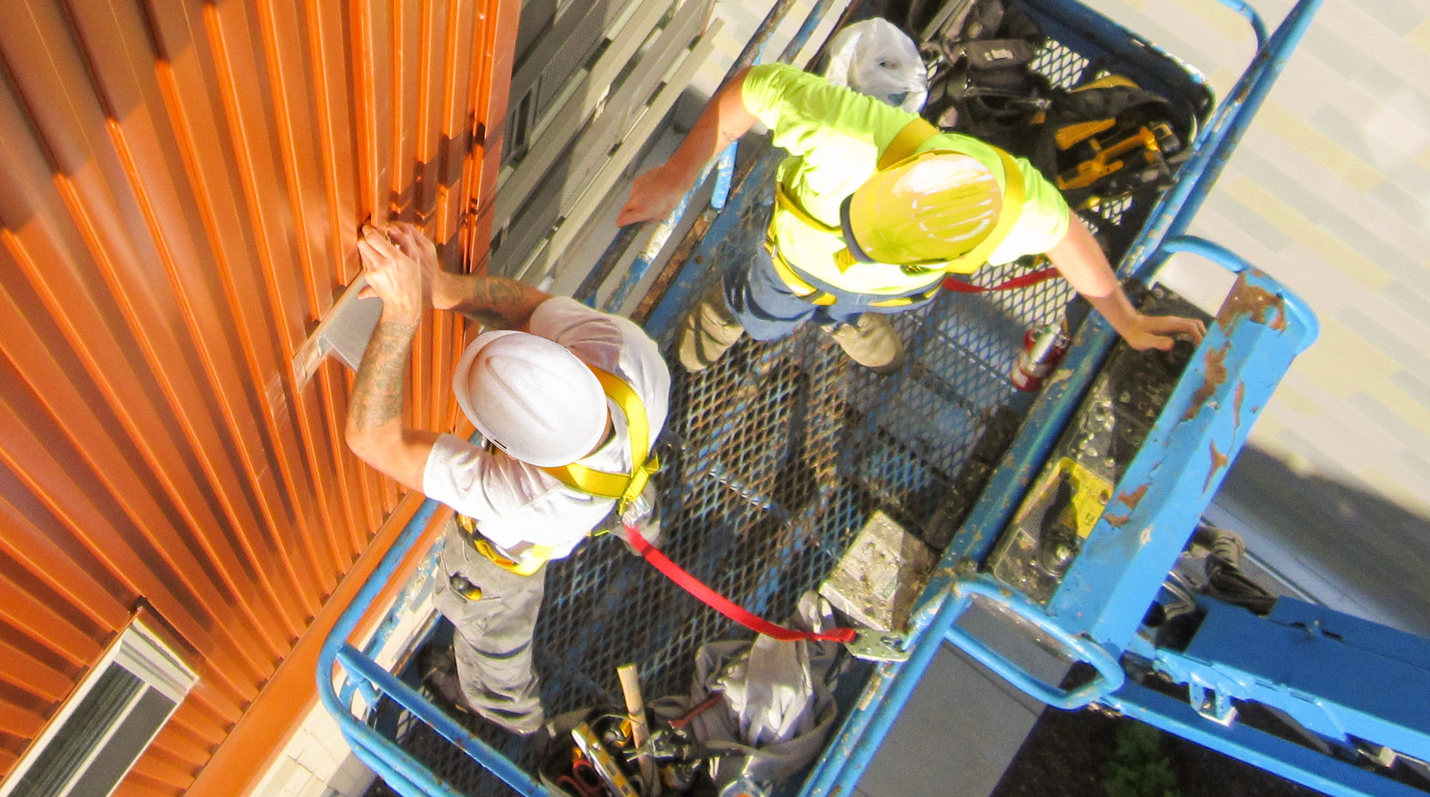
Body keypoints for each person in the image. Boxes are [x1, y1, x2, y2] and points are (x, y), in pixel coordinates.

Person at [617, 62, 1203, 372]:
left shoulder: (1019, 205)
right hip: (792, 263)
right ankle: (738, 312)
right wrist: (677, 175)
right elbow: (753, 88)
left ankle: (842, 320)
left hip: (887, 291)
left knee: (854, 302)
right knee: (771, 309)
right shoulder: (851, 136)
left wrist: (1125, 319)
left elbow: (1069, 239)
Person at [344, 220, 670, 735]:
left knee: (495, 638)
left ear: (510, 453)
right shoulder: (622, 352)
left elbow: (373, 440)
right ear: (566, 360)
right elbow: (529, 310)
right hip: (623, 473)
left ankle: (511, 718)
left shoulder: (521, 503)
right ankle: (644, 529)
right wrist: (442, 288)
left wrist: (403, 314)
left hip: (513, 559)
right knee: (625, 495)